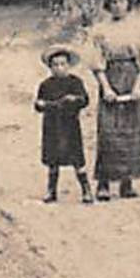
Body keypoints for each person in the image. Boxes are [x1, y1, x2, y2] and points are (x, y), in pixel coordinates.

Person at [90, 0, 140, 200]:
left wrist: (138, 85)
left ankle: (126, 182)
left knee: (131, 129)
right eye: (112, 1)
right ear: (107, 5)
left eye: (121, 0)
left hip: (133, 75)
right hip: (111, 76)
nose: (117, 5)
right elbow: (96, 61)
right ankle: (103, 182)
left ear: (129, 2)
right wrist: (106, 88)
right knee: (109, 130)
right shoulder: (99, 30)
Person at [34, 46, 93, 203]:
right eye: (55, 65)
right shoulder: (46, 85)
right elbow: (38, 104)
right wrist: (44, 104)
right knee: (52, 160)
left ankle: (86, 190)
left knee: (77, 159)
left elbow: (85, 100)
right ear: (50, 67)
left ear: (69, 65)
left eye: (63, 64)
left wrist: (74, 99)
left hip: (70, 125)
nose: (59, 68)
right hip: (52, 126)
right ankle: (51, 191)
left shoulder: (75, 82)